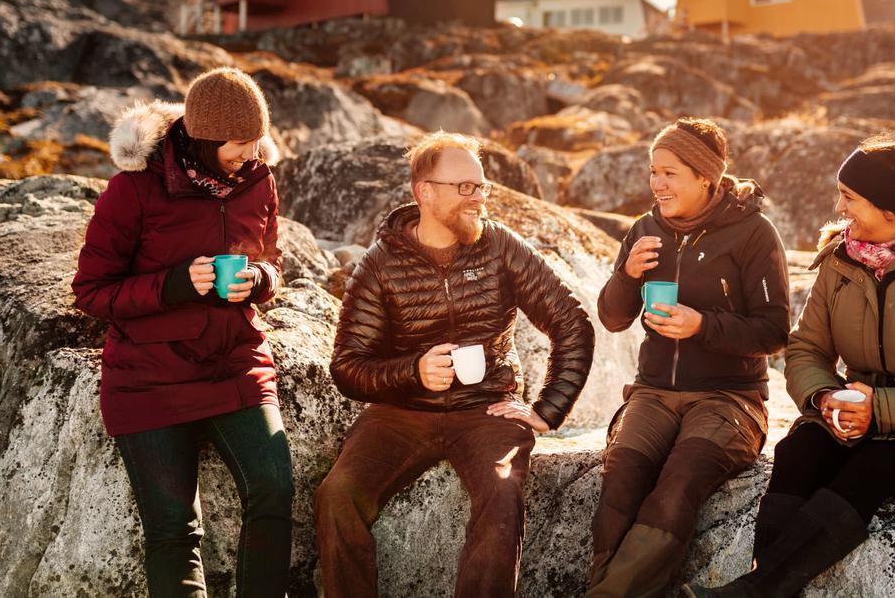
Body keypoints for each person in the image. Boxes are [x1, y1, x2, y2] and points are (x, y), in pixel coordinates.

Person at [689, 119, 895, 598]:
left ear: (889, 209)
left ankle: (757, 591)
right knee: (798, 452)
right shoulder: (843, 260)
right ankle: (766, 585)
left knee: (874, 471)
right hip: (859, 415)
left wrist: (880, 409)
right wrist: (824, 396)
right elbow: (807, 348)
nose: (839, 208)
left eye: (849, 197)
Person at [314, 131, 596, 598]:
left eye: (481, 187)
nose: (478, 198)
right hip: (399, 413)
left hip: (488, 409)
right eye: (464, 187)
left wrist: (547, 410)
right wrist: (412, 372)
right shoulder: (379, 264)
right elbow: (347, 366)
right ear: (425, 192)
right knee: (337, 494)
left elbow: (573, 324)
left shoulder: (500, 246)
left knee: (503, 492)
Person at [72, 67, 293, 598]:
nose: (251, 153)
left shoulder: (258, 180)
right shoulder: (135, 189)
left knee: (274, 489)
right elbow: (91, 293)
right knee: (173, 530)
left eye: (257, 141)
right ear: (206, 137)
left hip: (235, 365)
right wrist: (173, 284)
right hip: (149, 380)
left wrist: (258, 281)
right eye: (239, 144)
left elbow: (273, 262)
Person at [587, 118, 791, 597]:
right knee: (620, 476)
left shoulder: (753, 234)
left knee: (678, 482)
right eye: (653, 172)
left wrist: (703, 325)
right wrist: (628, 275)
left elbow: (775, 331)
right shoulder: (644, 229)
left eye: (670, 173)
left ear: (705, 176)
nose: (657, 184)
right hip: (654, 392)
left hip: (729, 398)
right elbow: (613, 318)